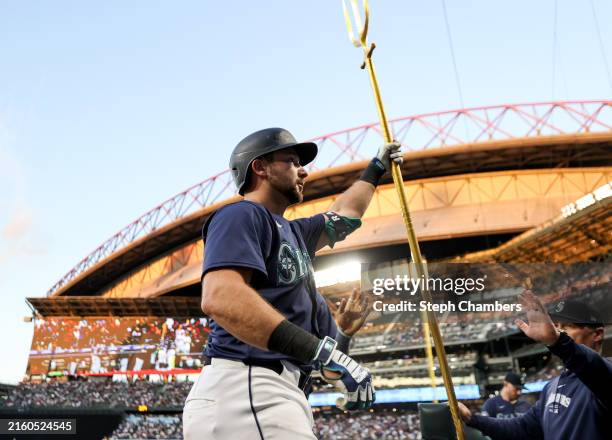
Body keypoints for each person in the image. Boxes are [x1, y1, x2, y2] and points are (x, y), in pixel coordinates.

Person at [183, 127, 403, 439]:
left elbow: (346, 214)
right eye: (291, 161)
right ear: (260, 167)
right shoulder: (242, 214)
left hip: (270, 393)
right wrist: (321, 352)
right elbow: (220, 297)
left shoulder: (295, 232)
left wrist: (376, 168)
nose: (304, 171)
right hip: (247, 388)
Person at [458, 291, 611, 440]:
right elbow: (522, 428)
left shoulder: (605, 374)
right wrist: (471, 418)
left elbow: (592, 367)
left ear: (597, 334)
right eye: (556, 325)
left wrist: (558, 342)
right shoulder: (551, 387)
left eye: (568, 326)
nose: (557, 330)